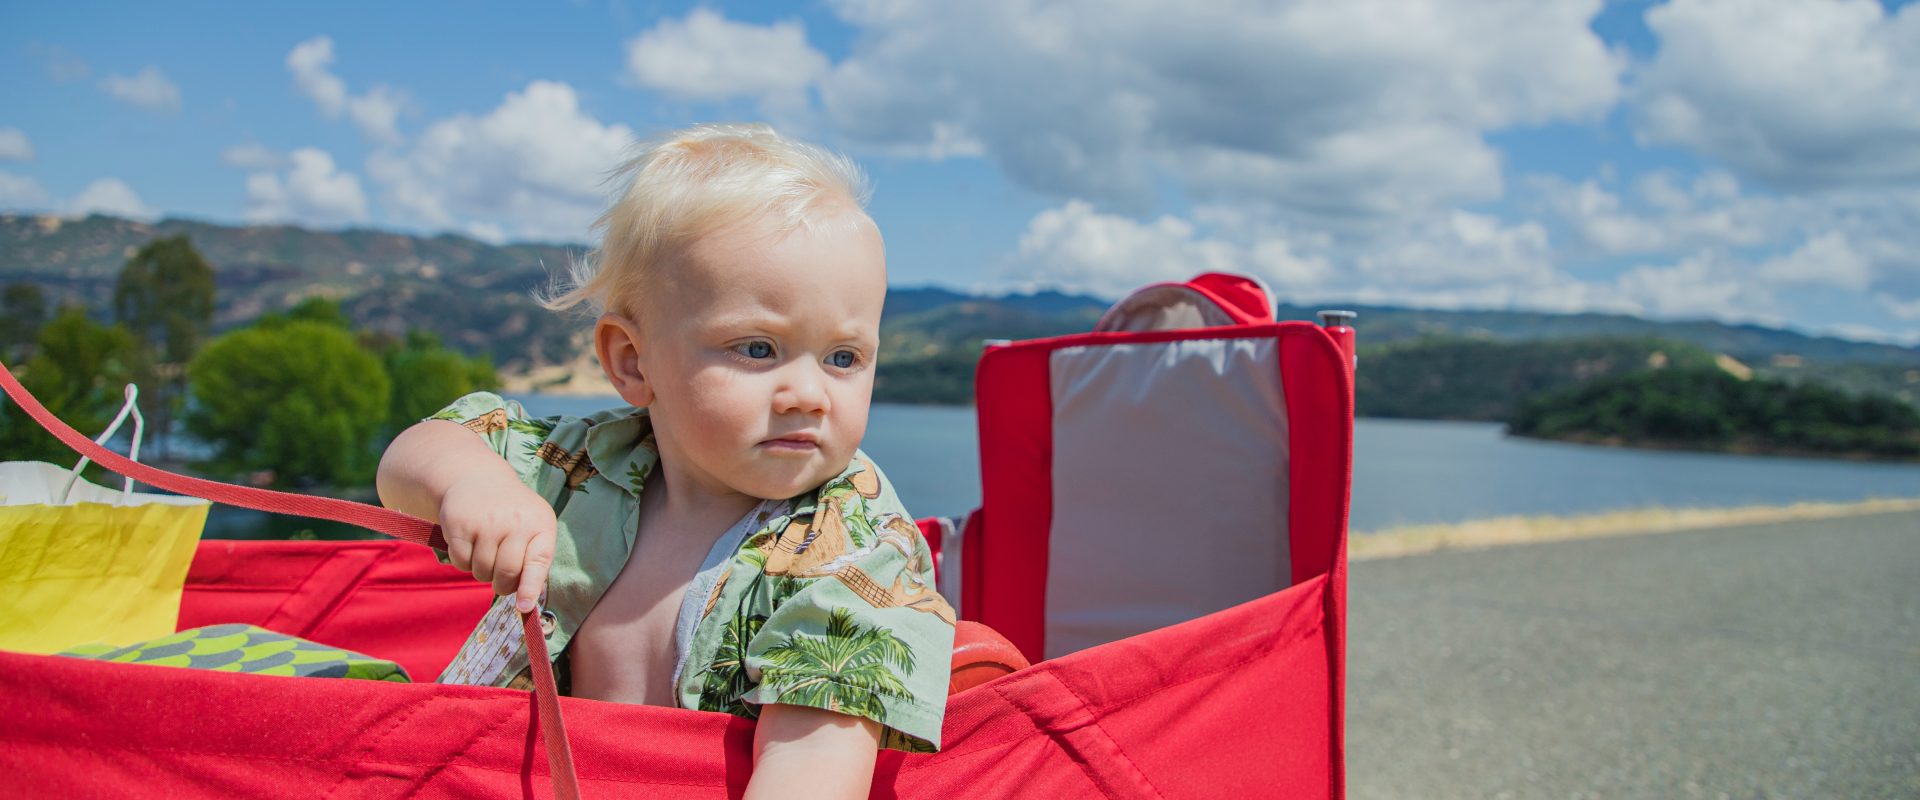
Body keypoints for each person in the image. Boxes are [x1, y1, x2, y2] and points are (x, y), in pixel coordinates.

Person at [376, 123, 956, 798]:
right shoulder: (587, 463)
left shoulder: (851, 549)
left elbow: (812, 770)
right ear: (632, 360)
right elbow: (414, 456)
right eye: (758, 349)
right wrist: (471, 484)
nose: (808, 395)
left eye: (843, 358)